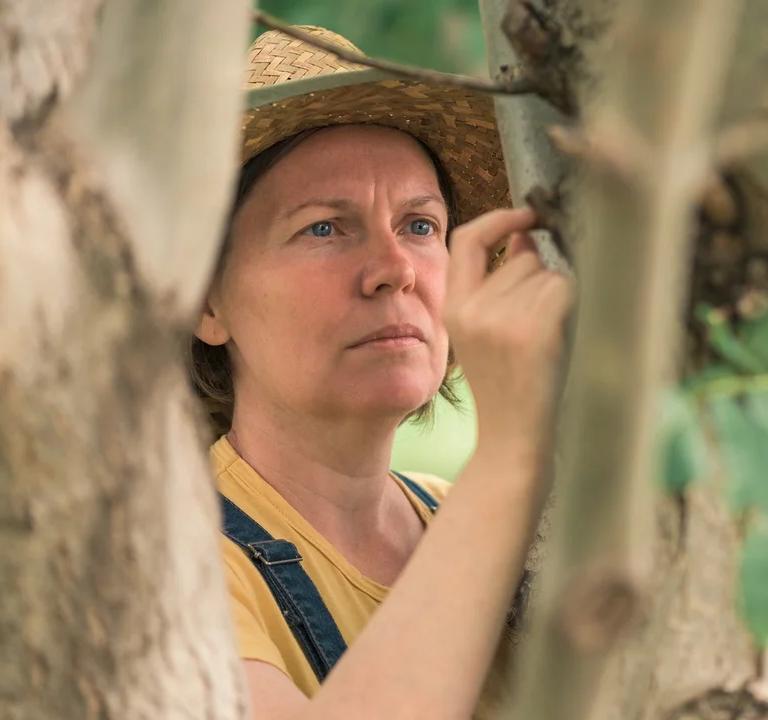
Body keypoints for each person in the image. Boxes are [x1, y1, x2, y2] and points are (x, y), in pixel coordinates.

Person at [187, 25, 572, 720]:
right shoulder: (159, 567)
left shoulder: (476, 518)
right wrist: (512, 449)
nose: (394, 269)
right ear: (207, 302)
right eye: (325, 228)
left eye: (420, 226)